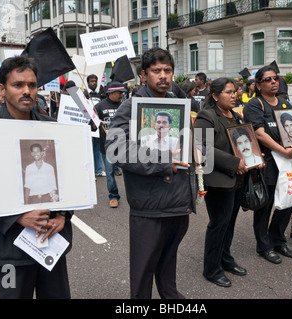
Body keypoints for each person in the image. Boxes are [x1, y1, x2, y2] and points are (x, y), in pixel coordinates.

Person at [105, 47, 195, 299]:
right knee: (143, 274)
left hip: (178, 204)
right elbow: (114, 148)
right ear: (143, 75)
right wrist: (164, 161)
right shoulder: (131, 108)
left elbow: (186, 145)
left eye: (168, 70)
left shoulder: (177, 105)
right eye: (157, 71)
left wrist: (197, 158)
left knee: (168, 270)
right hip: (149, 206)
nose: (163, 76)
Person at [0, 56, 73, 299]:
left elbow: (69, 178)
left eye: (32, 85)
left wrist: (63, 215)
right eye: (18, 85)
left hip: (50, 241)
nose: (27, 91)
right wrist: (17, 217)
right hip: (8, 249)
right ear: (2, 89)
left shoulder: (52, 127)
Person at [194, 77, 253, 288]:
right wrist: (233, 162)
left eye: (235, 91)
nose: (234, 95)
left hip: (237, 179)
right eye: (229, 92)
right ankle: (211, 269)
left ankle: (225, 259)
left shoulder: (236, 116)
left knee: (229, 224)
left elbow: (244, 143)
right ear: (215, 95)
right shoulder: (207, 116)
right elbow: (201, 147)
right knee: (218, 225)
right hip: (218, 180)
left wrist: (254, 158)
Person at [243, 65, 292, 264]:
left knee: (288, 200)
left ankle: (278, 240)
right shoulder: (254, 105)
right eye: (267, 79)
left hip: (288, 161)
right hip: (268, 162)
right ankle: (264, 246)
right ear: (258, 85)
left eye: (275, 78)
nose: (273, 82)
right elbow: (259, 133)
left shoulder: (284, 103)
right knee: (265, 206)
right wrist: (282, 150)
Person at [95, 82, 124, 208]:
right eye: (119, 92)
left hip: (123, 145)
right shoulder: (99, 107)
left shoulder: (124, 106)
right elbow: (92, 126)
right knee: (110, 172)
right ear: (111, 93)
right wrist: (97, 121)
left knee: (130, 171)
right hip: (107, 147)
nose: (122, 95)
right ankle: (113, 196)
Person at [84, 74, 106, 177]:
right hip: (87, 125)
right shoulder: (84, 94)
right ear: (88, 83)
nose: (94, 83)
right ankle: (89, 171)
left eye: (95, 81)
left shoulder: (99, 95)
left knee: (97, 148)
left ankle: (98, 169)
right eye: (92, 81)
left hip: (97, 126)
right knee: (87, 149)